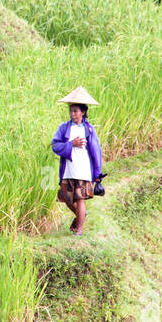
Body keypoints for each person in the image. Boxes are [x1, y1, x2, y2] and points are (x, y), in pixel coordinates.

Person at [50, 86, 104, 236]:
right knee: (66, 197)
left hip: (83, 168)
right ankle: (81, 215)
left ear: (83, 112)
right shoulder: (64, 128)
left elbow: (96, 151)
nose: (72, 114)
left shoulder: (89, 130)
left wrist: (97, 172)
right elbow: (55, 145)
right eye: (71, 111)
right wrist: (70, 144)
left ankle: (79, 230)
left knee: (80, 198)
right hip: (68, 168)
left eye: (75, 111)